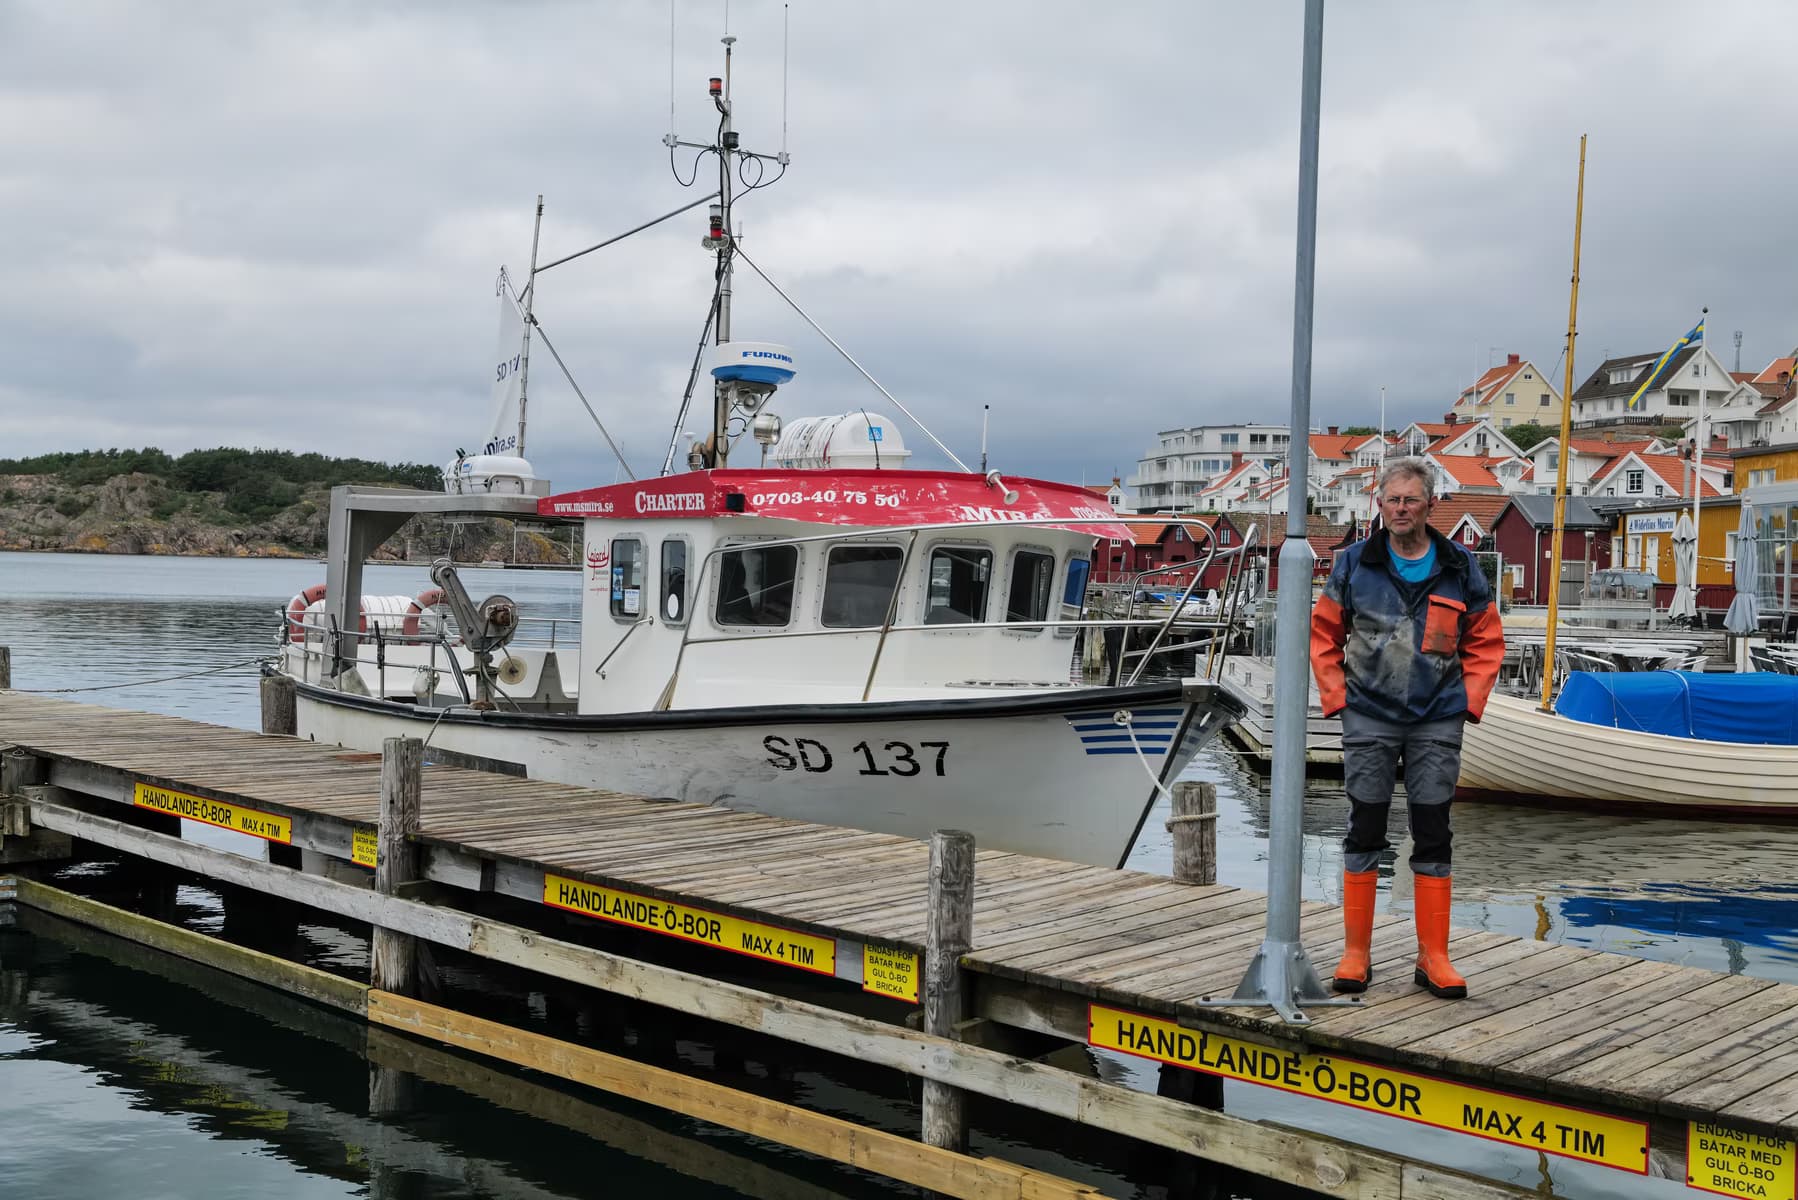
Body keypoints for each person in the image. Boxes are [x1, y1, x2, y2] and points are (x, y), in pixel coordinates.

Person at [1309, 457, 1504, 999]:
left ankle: (1433, 957)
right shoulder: (1354, 563)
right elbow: (1324, 634)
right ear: (1379, 504)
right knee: (1364, 828)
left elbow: (1486, 639)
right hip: (1368, 713)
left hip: (1438, 716)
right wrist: (1338, 699)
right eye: (1392, 499)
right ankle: (1356, 954)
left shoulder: (1460, 565)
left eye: (1411, 500)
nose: (1400, 509)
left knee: (1434, 830)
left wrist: (1467, 703)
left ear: (1430, 505)